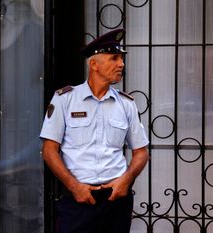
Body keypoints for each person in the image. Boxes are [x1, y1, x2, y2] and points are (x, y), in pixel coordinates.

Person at [39, 28, 149, 233]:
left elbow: (141, 152)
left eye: (122, 59)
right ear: (94, 64)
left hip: (115, 200)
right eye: (114, 58)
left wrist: (126, 180)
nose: (121, 64)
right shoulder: (65, 100)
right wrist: (74, 187)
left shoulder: (127, 104)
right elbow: (49, 150)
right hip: (78, 201)